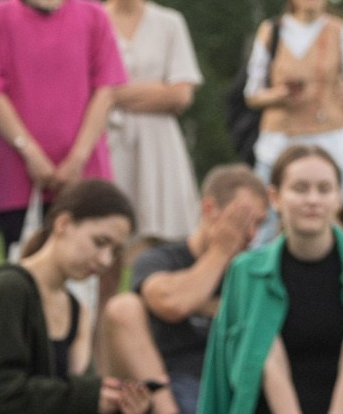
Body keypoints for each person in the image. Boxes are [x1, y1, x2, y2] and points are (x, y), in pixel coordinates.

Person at [200, 143, 343, 414]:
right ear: (275, 198)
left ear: (339, 197)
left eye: (324, 189)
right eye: (300, 188)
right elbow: (220, 378)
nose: (313, 200)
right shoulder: (246, 271)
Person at [0, 0, 128, 254]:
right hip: (19, 171)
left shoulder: (94, 15)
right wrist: (30, 153)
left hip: (83, 169)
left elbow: (106, 90)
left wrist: (77, 158)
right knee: (24, 267)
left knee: (85, 267)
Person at [0, 178, 150, 413]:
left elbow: (73, 399)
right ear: (63, 224)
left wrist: (120, 405)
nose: (106, 260)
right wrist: (88, 396)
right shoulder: (7, 289)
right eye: (100, 242)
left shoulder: (77, 310)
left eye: (115, 251)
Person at [97, 165, 268, 414]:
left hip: (226, 382)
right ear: (209, 209)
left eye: (259, 224)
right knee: (123, 307)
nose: (251, 234)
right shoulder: (160, 258)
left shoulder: (254, 269)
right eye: (241, 220)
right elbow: (173, 304)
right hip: (166, 384)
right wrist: (221, 251)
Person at [100, 0, 202, 245]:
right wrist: (156, 89)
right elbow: (86, 92)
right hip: (107, 142)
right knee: (105, 235)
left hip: (159, 147)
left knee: (162, 241)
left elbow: (181, 94)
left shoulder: (170, 23)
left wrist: (115, 94)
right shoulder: (93, 21)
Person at [242, 0, 343, 192]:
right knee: (269, 213)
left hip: (329, 146)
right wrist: (278, 95)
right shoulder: (271, 31)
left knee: (329, 213)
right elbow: (251, 95)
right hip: (277, 147)